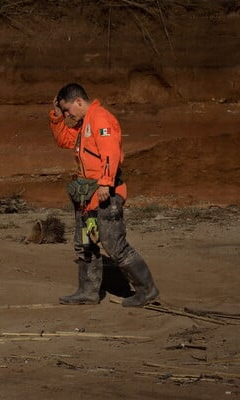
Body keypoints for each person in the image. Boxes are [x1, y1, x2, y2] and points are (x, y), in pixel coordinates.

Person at [49, 83, 159, 307]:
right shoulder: (84, 125)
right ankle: (87, 292)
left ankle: (147, 290)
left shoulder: (100, 118)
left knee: (114, 244)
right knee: (85, 243)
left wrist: (105, 184)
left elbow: (111, 151)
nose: (68, 115)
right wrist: (56, 116)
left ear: (79, 101)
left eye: (68, 110)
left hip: (104, 194)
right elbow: (63, 140)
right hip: (86, 197)